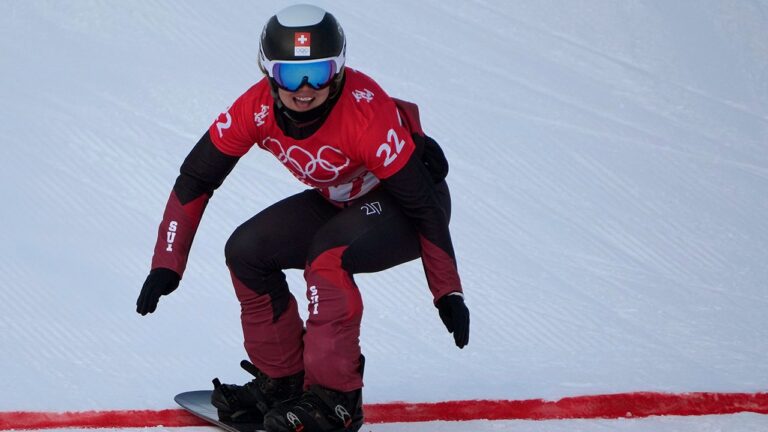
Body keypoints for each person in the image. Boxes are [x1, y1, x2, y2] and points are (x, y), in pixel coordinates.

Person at [136, 4, 469, 432]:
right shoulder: (255, 109)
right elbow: (196, 178)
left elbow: (423, 205)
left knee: (327, 257)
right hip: (341, 199)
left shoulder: (365, 117)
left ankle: (336, 400)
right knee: (247, 250)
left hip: (406, 208)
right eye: (291, 75)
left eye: (319, 72)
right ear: (269, 73)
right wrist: (167, 262)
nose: (306, 89)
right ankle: (285, 383)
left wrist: (447, 291)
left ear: (339, 69)